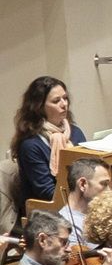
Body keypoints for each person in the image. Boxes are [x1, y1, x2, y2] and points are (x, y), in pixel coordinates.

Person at [13, 75, 83, 210]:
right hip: (46, 212)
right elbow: (47, 192)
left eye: (65, 98)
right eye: (56, 101)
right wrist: (84, 197)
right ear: (39, 107)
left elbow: (90, 170)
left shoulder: (76, 132)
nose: (64, 104)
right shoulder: (30, 145)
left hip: (79, 201)